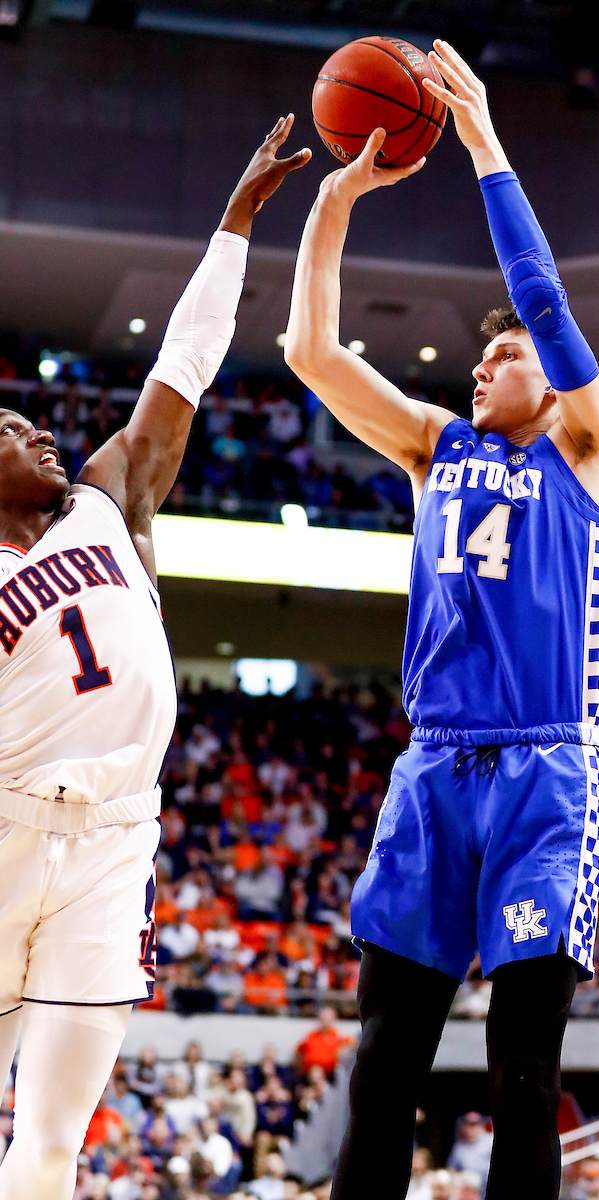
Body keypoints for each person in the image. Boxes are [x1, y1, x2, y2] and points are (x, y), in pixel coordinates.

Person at [285, 39, 599, 1200]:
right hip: (431, 772)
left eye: (503, 355)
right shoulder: (435, 445)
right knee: (385, 1059)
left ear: (553, 376)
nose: (484, 364)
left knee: (522, 1071)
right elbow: (310, 352)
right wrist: (334, 205)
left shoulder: (593, 451)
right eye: (478, 356)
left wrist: (480, 139)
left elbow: (540, 297)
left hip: (544, 776)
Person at [0, 116, 310, 1200]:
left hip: (116, 837)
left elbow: (184, 362)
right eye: (10, 429)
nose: (40, 433)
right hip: (0, 826)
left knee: (53, 1139)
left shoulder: (111, 495)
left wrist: (234, 223)